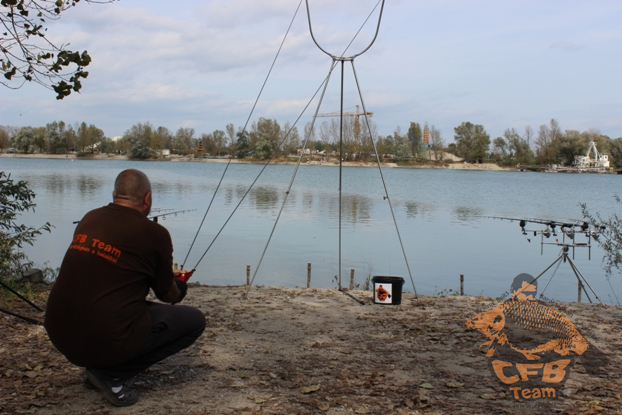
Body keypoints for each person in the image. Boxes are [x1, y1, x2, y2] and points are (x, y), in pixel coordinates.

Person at [44, 169, 206, 407]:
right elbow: (167, 295)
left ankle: (99, 368)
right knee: (194, 322)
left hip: (59, 333)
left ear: (114, 194)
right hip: (103, 337)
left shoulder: (90, 218)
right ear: (147, 198)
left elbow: (112, 267)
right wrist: (180, 286)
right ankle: (111, 374)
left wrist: (152, 271)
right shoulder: (156, 234)